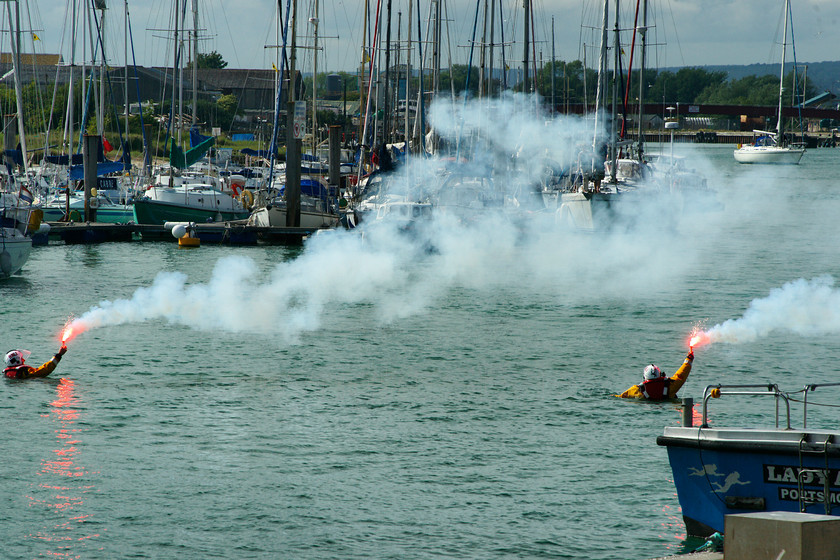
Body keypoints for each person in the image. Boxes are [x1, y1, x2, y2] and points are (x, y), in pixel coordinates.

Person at [617, 350, 694, 400]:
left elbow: (621, 397)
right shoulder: (671, 386)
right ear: (660, 375)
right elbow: (681, 375)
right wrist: (688, 359)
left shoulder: (637, 390)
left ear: (644, 377)